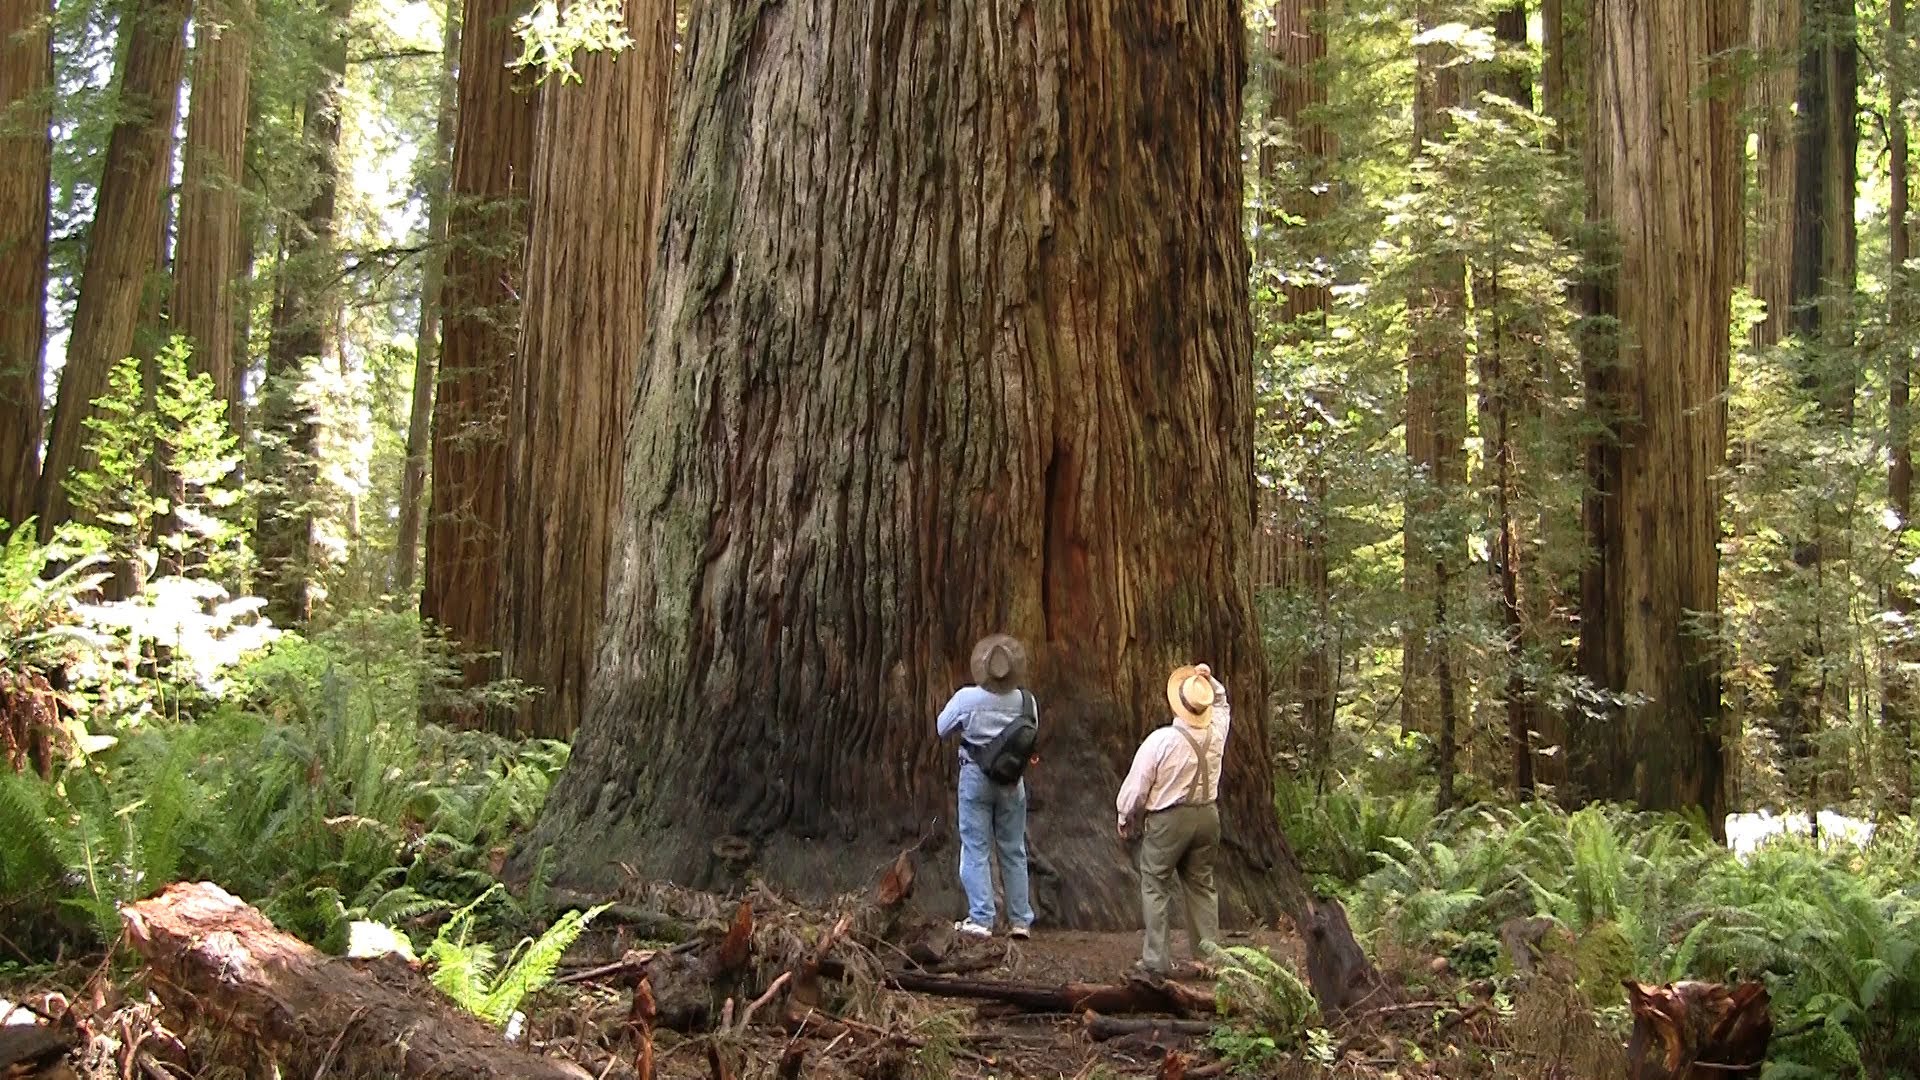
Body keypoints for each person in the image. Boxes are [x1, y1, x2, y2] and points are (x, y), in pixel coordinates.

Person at [1116, 662, 1230, 978]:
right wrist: (1210, 681)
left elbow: (1138, 786)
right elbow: (1221, 704)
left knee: (1155, 883)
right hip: (1208, 817)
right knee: (1202, 886)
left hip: (1169, 820)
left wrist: (1126, 816)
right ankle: (1209, 960)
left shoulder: (1161, 740)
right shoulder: (1217, 733)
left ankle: (1156, 960)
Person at [935, 634, 1038, 939]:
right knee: (1014, 849)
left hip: (976, 778)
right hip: (1012, 782)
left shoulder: (967, 699)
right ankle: (1020, 920)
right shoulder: (1026, 701)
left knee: (976, 847)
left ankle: (981, 918)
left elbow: (942, 728)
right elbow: (1031, 736)